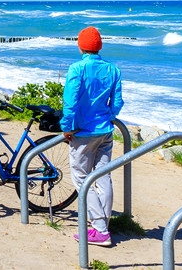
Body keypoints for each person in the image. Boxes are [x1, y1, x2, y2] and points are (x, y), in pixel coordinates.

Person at [61, 26, 123, 248]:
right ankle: (103, 225)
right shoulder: (113, 70)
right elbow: (116, 103)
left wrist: (66, 127)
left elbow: (70, 102)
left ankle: (100, 229)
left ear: (80, 46)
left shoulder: (77, 69)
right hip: (105, 130)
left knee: (81, 177)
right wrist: (111, 116)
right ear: (99, 46)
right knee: (103, 177)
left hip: (83, 133)